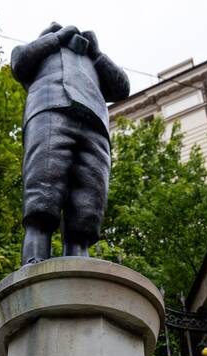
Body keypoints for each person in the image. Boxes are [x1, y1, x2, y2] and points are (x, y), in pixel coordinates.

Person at [10, 23, 130, 264]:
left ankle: (78, 270)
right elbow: (20, 63)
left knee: (87, 211)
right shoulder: (41, 50)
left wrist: (96, 53)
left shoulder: (94, 62)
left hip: (95, 126)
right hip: (51, 111)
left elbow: (122, 88)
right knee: (42, 197)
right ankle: (33, 266)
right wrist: (56, 37)